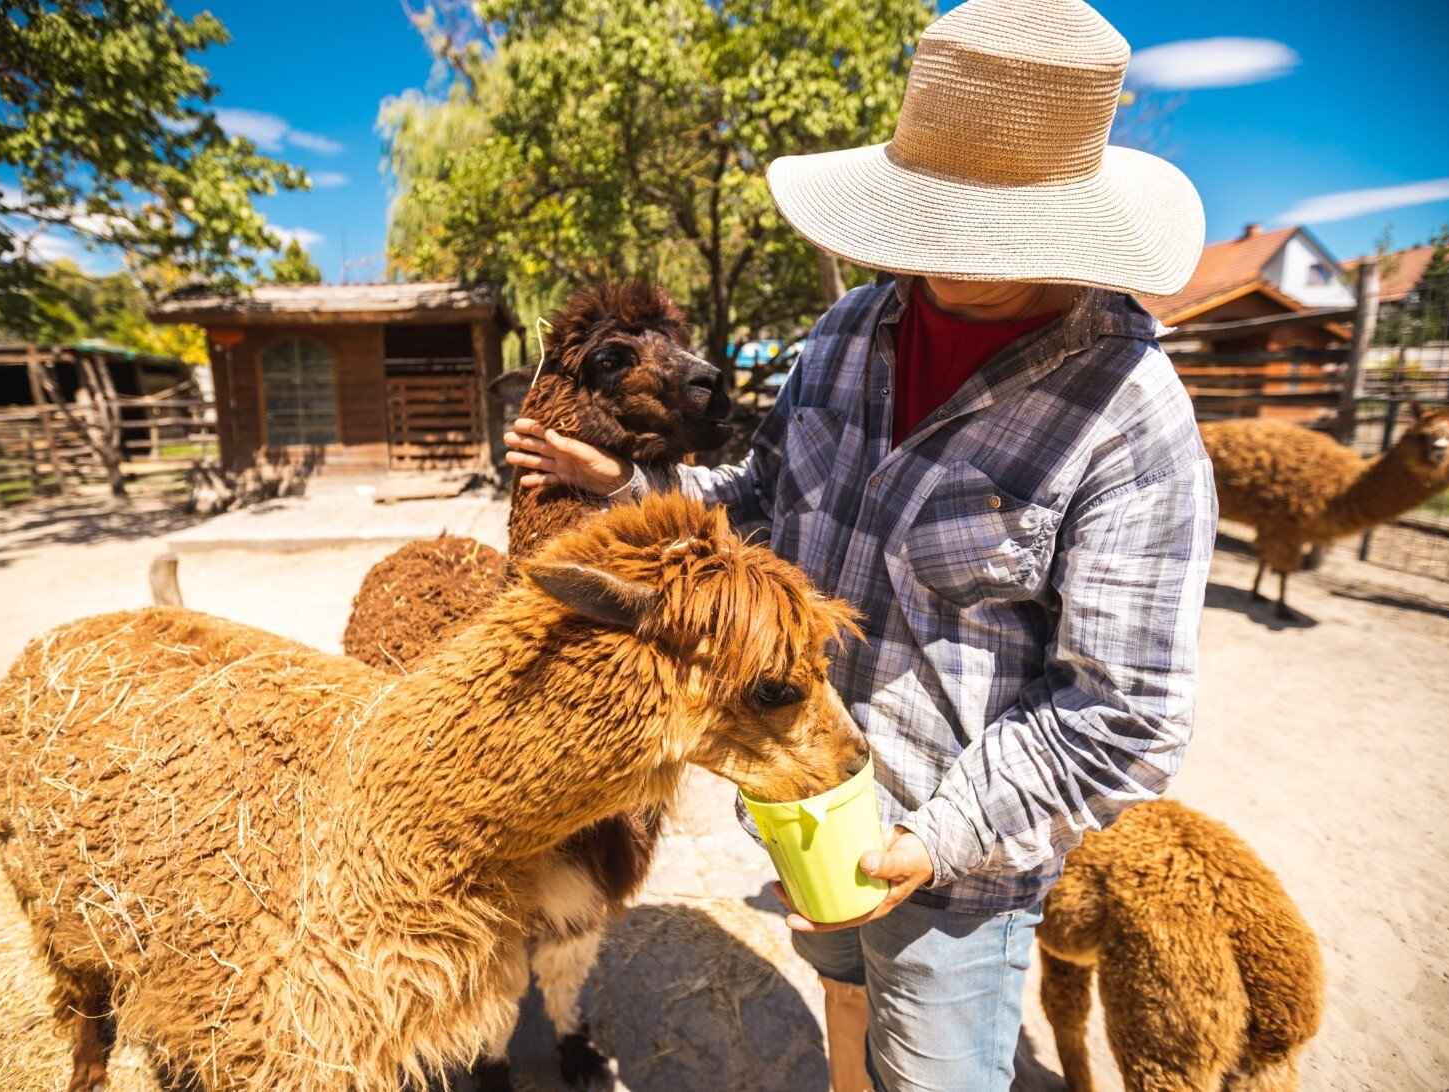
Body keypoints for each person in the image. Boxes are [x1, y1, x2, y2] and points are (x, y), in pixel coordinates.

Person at [506, 0, 1216, 1088]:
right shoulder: (850, 334)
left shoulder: (1129, 417)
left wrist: (939, 838)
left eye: (982, 223)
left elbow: (1129, 710)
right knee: (842, 984)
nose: (941, 250)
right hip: (804, 799)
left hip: (959, 861)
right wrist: (632, 485)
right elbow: (763, 499)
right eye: (932, 211)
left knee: (933, 1068)